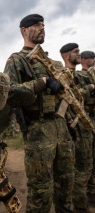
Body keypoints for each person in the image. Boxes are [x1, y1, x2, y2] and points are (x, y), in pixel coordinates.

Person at [4, 14, 75, 213]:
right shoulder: (17, 60)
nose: (42, 28)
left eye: (43, 25)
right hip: (38, 130)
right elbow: (9, 93)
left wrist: (70, 124)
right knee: (41, 191)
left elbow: (66, 98)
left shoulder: (53, 63)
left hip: (61, 126)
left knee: (66, 183)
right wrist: (41, 83)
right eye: (36, 25)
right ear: (24, 30)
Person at [60, 44, 94, 213]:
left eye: (80, 52)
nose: (79, 55)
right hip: (75, 126)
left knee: (88, 165)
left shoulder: (80, 75)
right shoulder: (65, 75)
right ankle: (80, 206)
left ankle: (87, 199)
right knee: (81, 168)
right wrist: (91, 88)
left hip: (85, 123)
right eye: (76, 52)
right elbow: (72, 97)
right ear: (66, 55)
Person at [79, 51, 95, 209]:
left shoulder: (92, 75)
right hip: (85, 121)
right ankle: (83, 197)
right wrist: (90, 88)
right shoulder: (80, 75)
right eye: (91, 58)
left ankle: (92, 192)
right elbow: (77, 95)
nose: (94, 60)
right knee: (86, 160)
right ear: (84, 60)